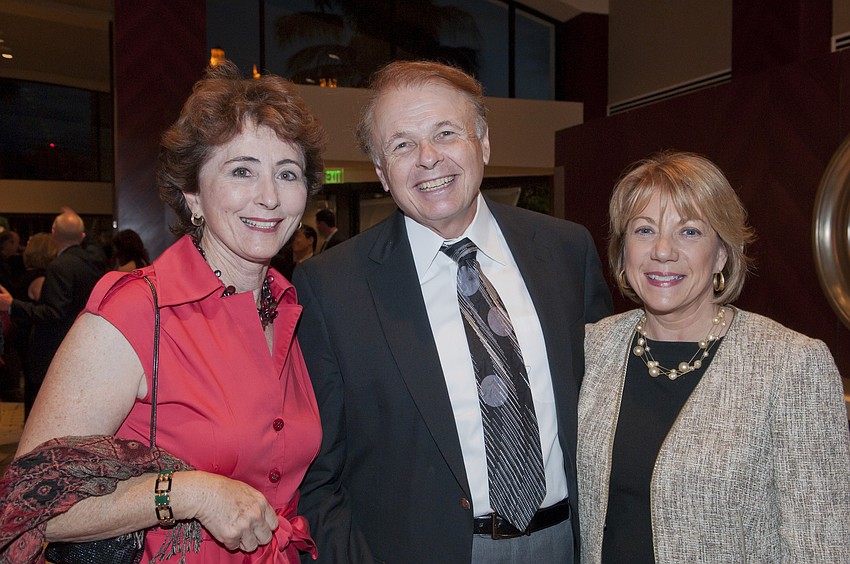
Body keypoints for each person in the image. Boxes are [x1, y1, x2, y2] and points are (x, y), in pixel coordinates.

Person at [0, 61, 326, 563]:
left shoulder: (287, 309)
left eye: (288, 173)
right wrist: (188, 493)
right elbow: (30, 503)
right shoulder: (137, 309)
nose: (269, 196)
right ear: (193, 194)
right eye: (242, 170)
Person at [293, 60, 612, 563]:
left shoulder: (566, 252)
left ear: (483, 142)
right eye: (402, 145)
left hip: (568, 541)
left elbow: (606, 410)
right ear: (380, 172)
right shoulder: (331, 288)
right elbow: (316, 473)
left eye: (446, 133)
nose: (428, 158)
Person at [577, 151, 850, 563]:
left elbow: (821, 543)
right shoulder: (595, 347)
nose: (663, 251)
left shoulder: (790, 364)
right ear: (623, 251)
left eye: (689, 232)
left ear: (722, 254)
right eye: (645, 230)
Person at [0, 209, 106, 415]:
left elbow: (53, 312)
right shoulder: (94, 263)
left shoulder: (60, 266)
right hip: (84, 343)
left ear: (54, 235)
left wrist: (12, 305)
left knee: (43, 407)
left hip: (54, 347)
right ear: (83, 236)